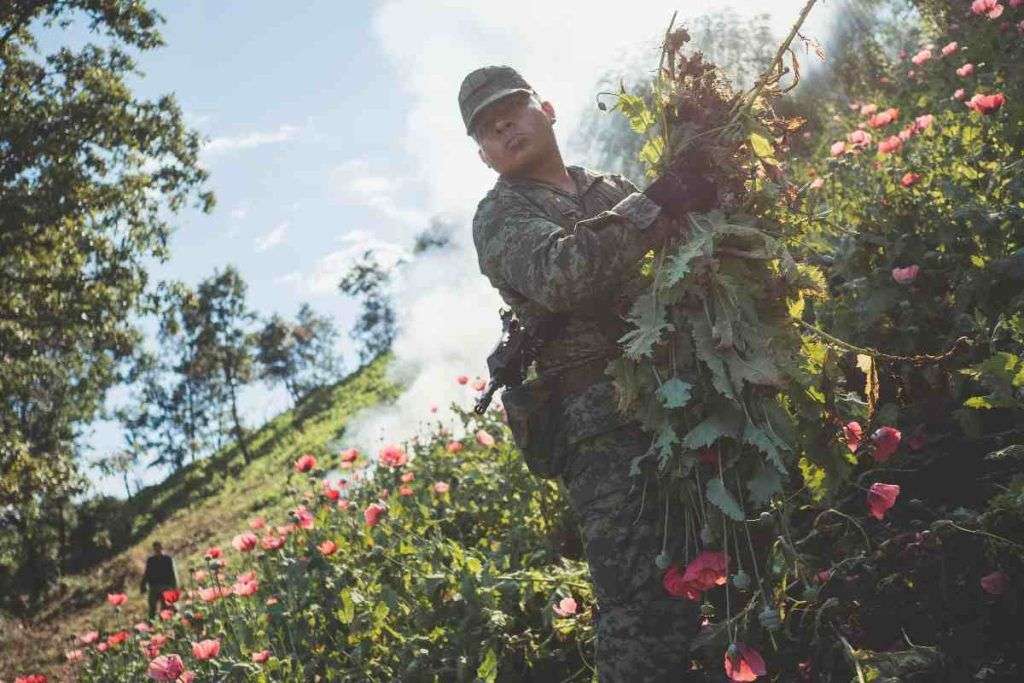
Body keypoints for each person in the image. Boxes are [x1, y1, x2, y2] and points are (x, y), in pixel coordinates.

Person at [460, 66, 718, 682]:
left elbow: (688, 251)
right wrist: (657, 203)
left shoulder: (609, 188)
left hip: (685, 395)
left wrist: (707, 187)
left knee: (728, 556)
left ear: (545, 108)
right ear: (482, 154)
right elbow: (562, 273)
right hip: (602, 429)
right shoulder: (499, 216)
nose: (501, 125)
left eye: (511, 108)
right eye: (485, 128)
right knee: (640, 600)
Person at [140, 541, 178, 620]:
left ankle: (164, 623)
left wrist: (174, 588)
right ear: (154, 549)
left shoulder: (167, 559)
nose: (157, 550)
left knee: (165, 607)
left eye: (158, 548)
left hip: (165, 586)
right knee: (152, 608)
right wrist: (143, 585)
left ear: (161, 548)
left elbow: (173, 573)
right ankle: (151, 623)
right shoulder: (151, 560)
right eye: (155, 548)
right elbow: (147, 573)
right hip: (154, 587)